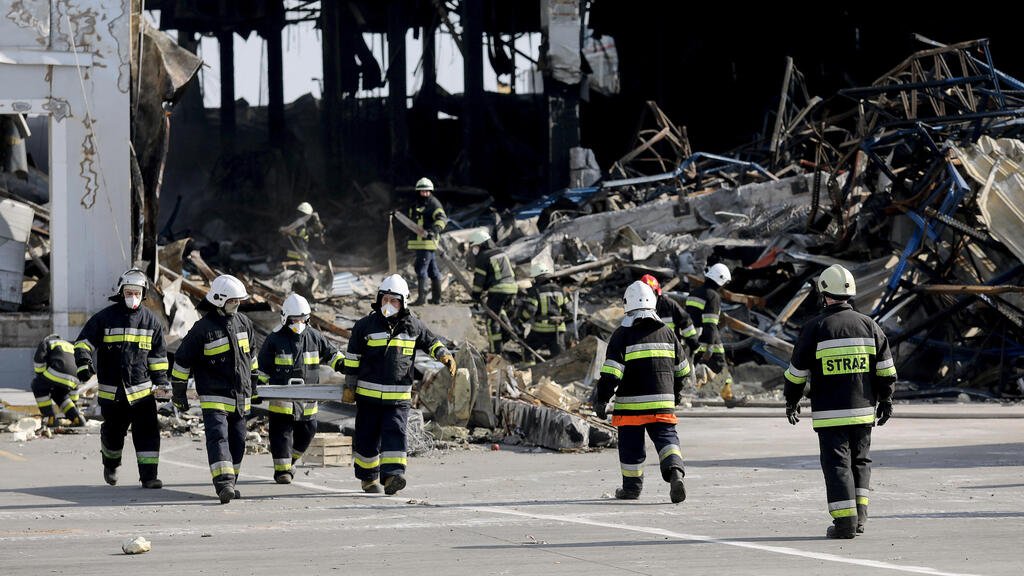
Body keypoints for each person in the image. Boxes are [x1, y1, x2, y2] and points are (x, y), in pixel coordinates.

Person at [783, 264, 896, 539]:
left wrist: (792, 401)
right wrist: (886, 399)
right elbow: (886, 369)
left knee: (837, 465)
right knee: (860, 462)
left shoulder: (815, 328)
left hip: (830, 413)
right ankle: (859, 520)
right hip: (863, 412)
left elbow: (796, 374)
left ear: (824, 293)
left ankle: (845, 523)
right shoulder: (870, 325)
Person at [343, 274, 456, 495]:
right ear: (379, 299)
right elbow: (352, 359)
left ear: (403, 302)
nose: (388, 305)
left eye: (394, 301)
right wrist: (350, 387)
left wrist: (444, 355)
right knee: (367, 438)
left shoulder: (413, 326)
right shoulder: (364, 326)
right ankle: (368, 479)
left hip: (398, 398)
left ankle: (393, 476)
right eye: (385, 300)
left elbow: (431, 342)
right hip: (368, 398)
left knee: (395, 433)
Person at [594, 281, 689, 503]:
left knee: (631, 447)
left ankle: (632, 488)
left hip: (631, 405)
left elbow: (611, 373)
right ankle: (675, 473)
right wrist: (676, 393)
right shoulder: (667, 333)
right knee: (667, 440)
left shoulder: (622, 335)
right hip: (663, 402)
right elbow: (683, 370)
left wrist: (601, 399)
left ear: (627, 305)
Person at [74, 268, 167, 488]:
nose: (133, 297)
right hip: (112, 392)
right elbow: (82, 343)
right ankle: (111, 464)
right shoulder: (104, 318)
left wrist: (162, 384)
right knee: (113, 435)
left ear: (143, 294)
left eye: (137, 293)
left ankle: (149, 477)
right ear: (121, 292)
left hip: (142, 393)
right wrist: (84, 365)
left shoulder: (151, 322)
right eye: (128, 292)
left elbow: (158, 358)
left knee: (148, 434)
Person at [171, 274, 259, 504]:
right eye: (233, 301)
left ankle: (231, 481)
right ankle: (223, 484)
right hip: (214, 397)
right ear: (219, 300)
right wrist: (179, 394)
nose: (237, 304)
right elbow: (181, 361)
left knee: (238, 441)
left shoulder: (244, 323)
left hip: (241, 397)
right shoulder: (202, 329)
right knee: (219, 438)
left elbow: (252, 358)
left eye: (239, 301)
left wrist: (255, 386)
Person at [256, 293, 345, 484]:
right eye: (295, 319)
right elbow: (262, 368)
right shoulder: (274, 339)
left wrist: (344, 365)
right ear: (286, 318)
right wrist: (258, 389)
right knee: (281, 434)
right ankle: (282, 472)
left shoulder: (314, 336)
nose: (299, 323)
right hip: (282, 401)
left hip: (307, 400)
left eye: (302, 319)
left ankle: (292, 460)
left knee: (308, 430)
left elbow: (332, 354)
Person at [685, 263, 746, 407]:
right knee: (721, 367)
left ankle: (697, 391)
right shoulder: (713, 296)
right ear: (721, 280)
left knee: (692, 367)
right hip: (708, 339)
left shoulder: (694, 293)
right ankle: (728, 397)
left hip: (693, 338)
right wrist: (711, 347)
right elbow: (711, 323)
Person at [469, 230, 517, 355]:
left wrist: (475, 297)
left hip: (498, 289)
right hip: (512, 287)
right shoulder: (501, 252)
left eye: (474, 246)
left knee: (491, 321)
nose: (474, 249)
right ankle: (508, 332)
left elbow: (479, 280)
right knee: (498, 311)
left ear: (480, 244)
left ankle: (495, 350)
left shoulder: (483, 256)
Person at [407, 178, 448, 305]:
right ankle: (436, 298)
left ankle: (421, 299)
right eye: (422, 191)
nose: (425, 193)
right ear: (418, 191)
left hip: (427, 243)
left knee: (421, 270)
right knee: (432, 271)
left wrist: (434, 230)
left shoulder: (434, 204)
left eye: (427, 191)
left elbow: (442, 219)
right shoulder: (415, 204)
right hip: (419, 244)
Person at [32, 334, 87, 427]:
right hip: (76, 376)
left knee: (37, 386)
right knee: (59, 394)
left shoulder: (47, 342)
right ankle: (76, 417)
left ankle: (50, 418)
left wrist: (40, 376)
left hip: (58, 371)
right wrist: (73, 404)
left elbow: (39, 359)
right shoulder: (69, 345)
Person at [519, 261, 567, 365]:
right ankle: (560, 377)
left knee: (527, 349)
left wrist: (520, 319)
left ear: (537, 277)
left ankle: (529, 371)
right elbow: (569, 310)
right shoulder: (560, 289)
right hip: (558, 329)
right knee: (560, 357)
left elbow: (530, 311)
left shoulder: (536, 290)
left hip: (541, 329)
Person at [640, 274, 699, 353]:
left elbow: (685, 321)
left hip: (670, 350)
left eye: (651, 292)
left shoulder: (669, 305)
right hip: (648, 352)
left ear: (656, 292)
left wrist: (693, 343)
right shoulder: (637, 308)